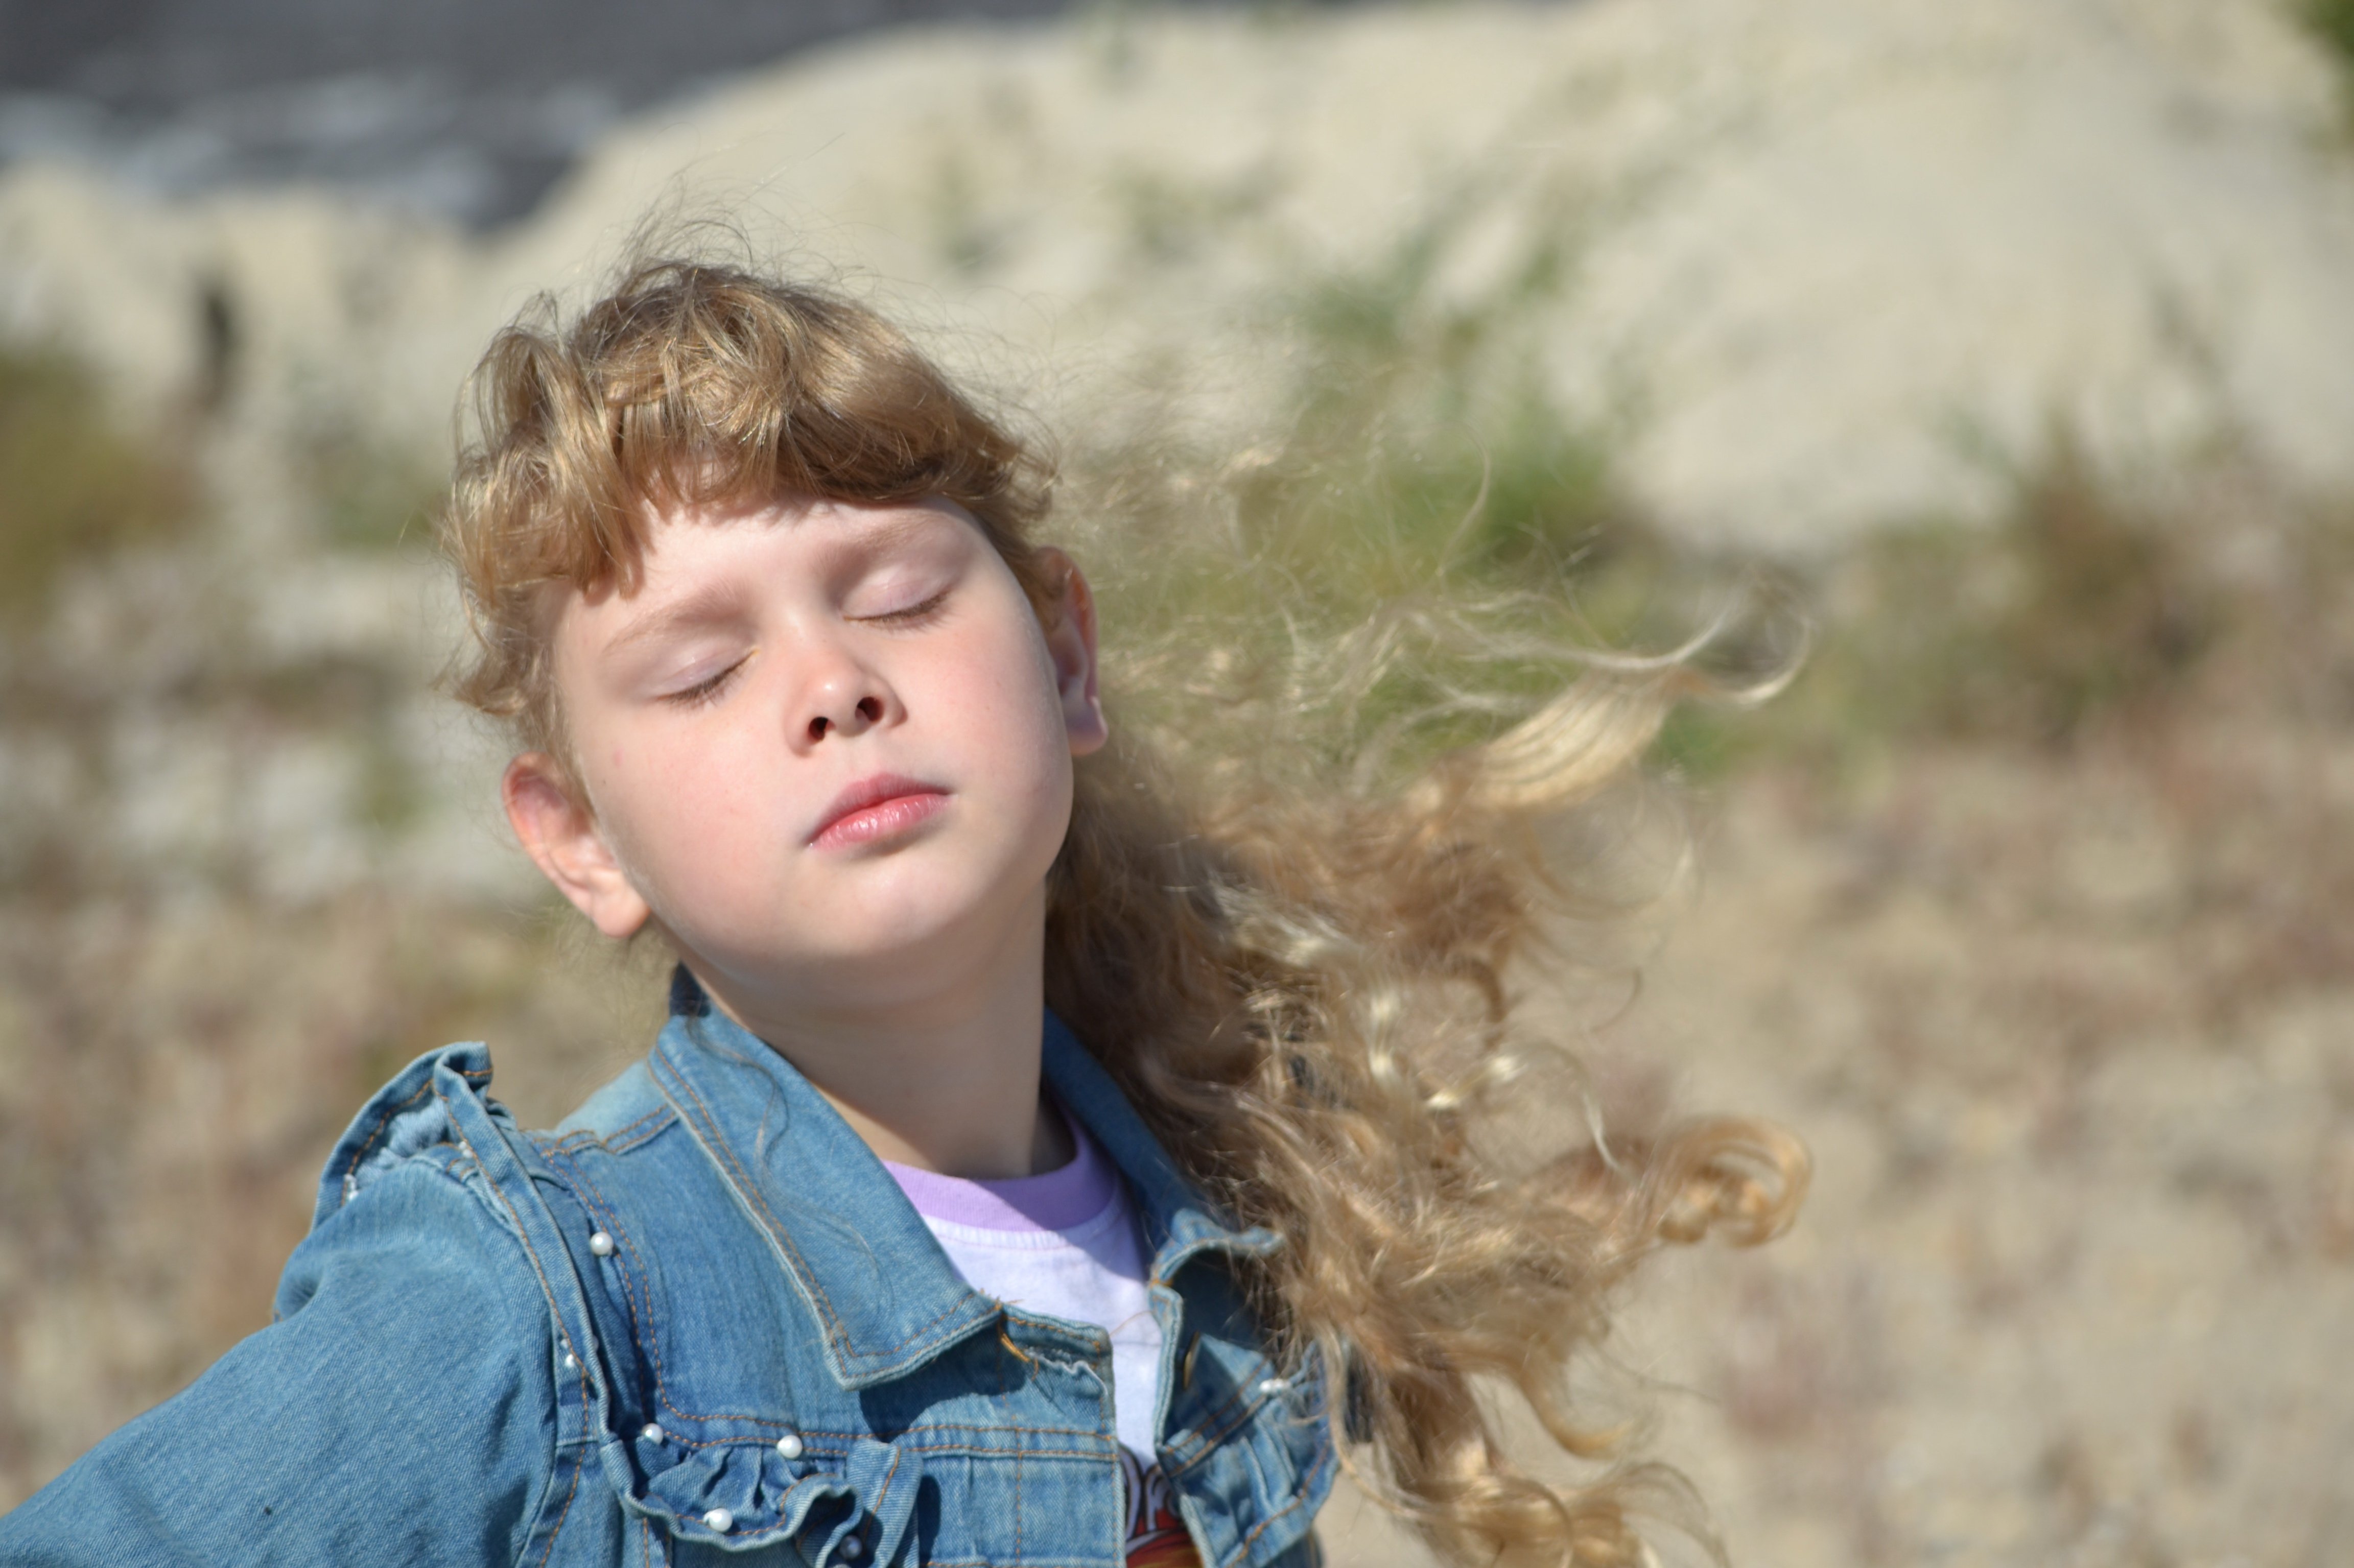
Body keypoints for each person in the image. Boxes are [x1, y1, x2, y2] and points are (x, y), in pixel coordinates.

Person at [0, 258, 1806, 1567]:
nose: (832, 686)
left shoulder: (1226, 1239)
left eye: (896, 595)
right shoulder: (539, 1313)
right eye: (699, 670)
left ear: (1067, 657)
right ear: (581, 841)